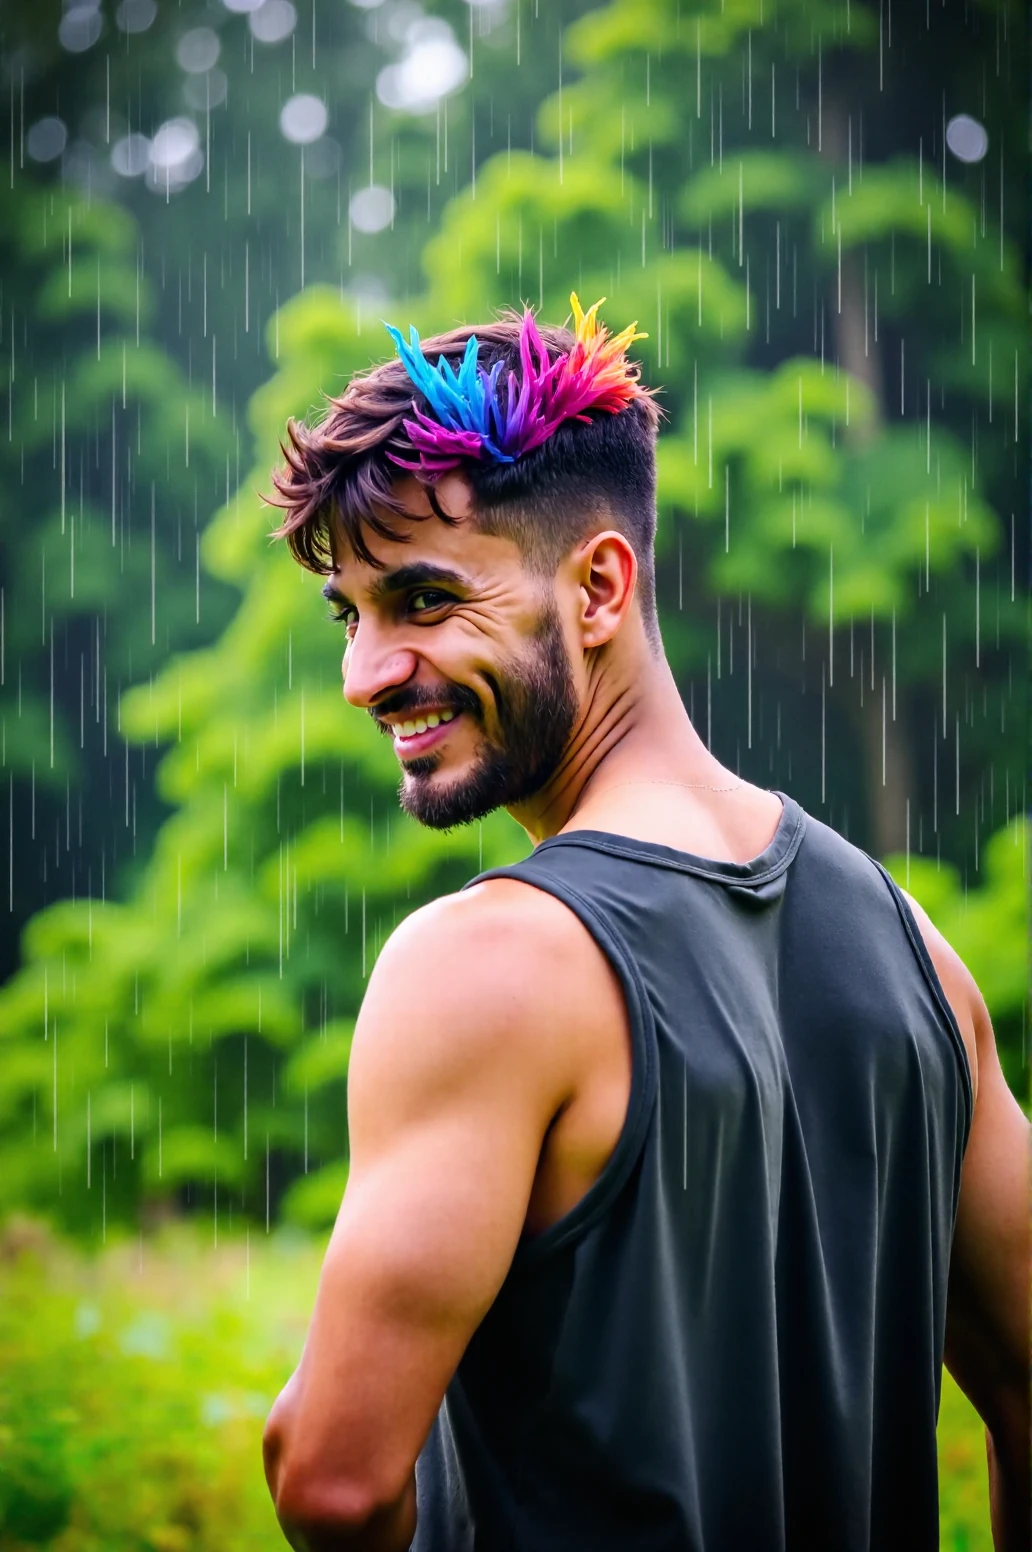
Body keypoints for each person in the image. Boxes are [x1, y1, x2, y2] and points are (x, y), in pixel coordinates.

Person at [260, 298, 1029, 1552]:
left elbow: (332, 1478)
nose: (365, 673)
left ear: (600, 587)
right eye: (350, 613)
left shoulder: (485, 963)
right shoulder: (918, 959)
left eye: (421, 598)